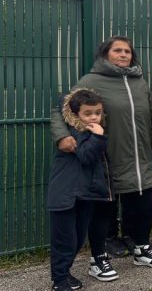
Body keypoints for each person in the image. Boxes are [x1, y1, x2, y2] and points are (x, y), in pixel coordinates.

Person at [50, 36, 152, 279]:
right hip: (106, 157)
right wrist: (62, 137)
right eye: (118, 50)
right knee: (103, 209)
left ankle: (142, 248)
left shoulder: (140, 83)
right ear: (105, 54)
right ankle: (98, 258)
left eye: (127, 51)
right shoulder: (91, 81)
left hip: (141, 157)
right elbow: (61, 109)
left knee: (144, 204)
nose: (124, 54)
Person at [48, 89, 112, 290]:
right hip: (65, 195)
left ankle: (64, 274)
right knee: (65, 242)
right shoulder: (77, 131)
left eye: (98, 112)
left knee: (76, 238)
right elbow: (85, 156)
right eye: (88, 113)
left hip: (83, 195)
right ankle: (59, 282)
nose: (94, 117)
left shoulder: (88, 130)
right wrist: (99, 137)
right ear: (76, 114)